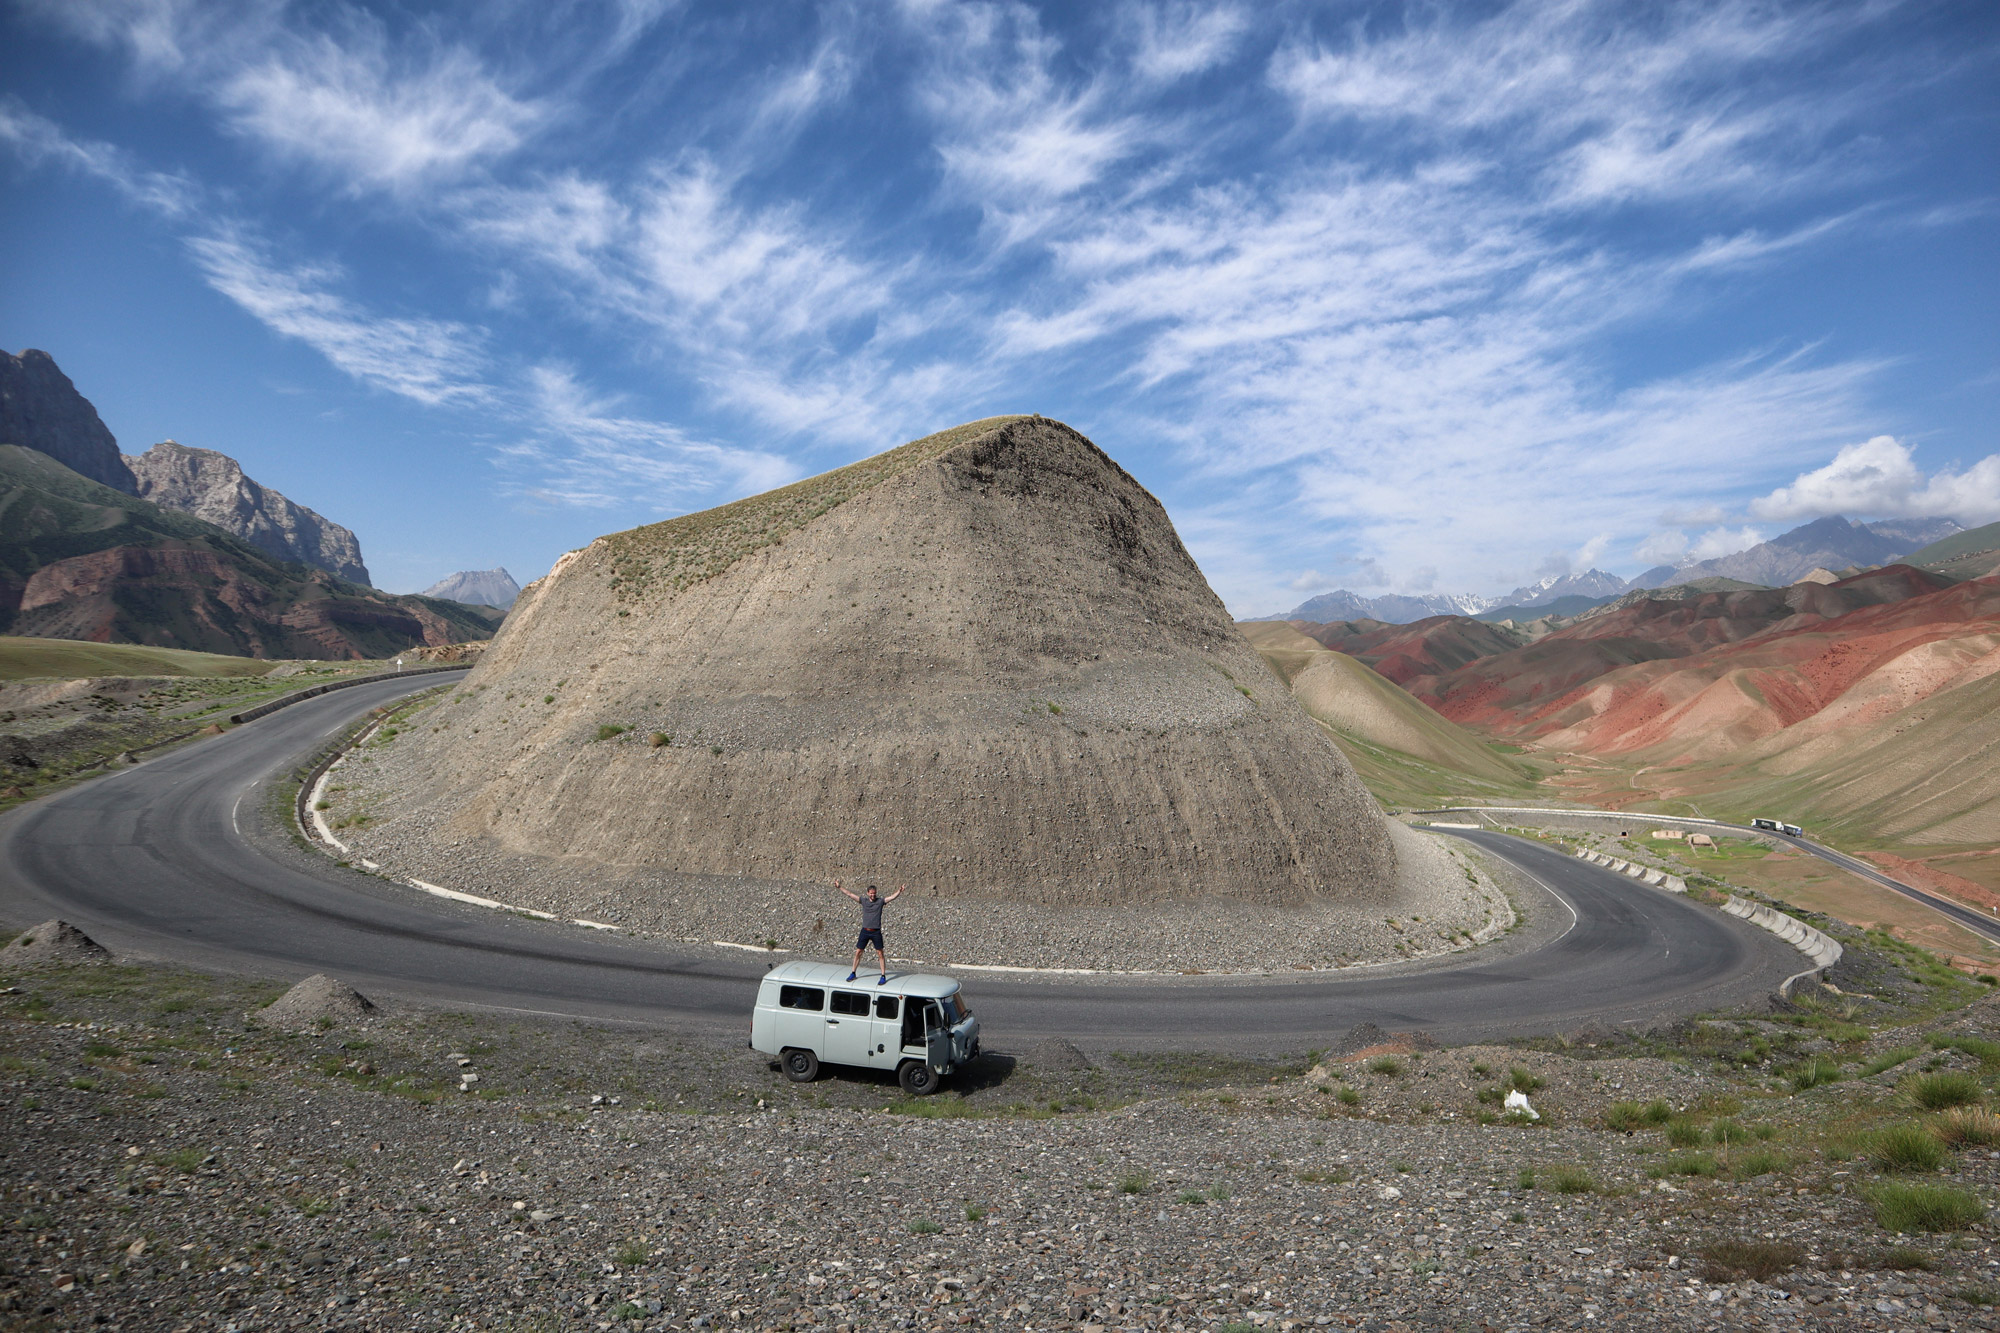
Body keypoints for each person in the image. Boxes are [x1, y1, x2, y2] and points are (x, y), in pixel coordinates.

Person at [835, 879, 903, 984]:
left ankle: (883, 975)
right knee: (858, 952)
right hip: (865, 931)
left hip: (876, 932)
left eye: (874, 893)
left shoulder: (880, 902)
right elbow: (850, 894)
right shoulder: (864, 901)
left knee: (880, 953)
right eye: (871, 893)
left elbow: (891, 898)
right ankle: (853, 972)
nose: (873, 895)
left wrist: (899, 891)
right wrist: (839, 887)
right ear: (867, 893)